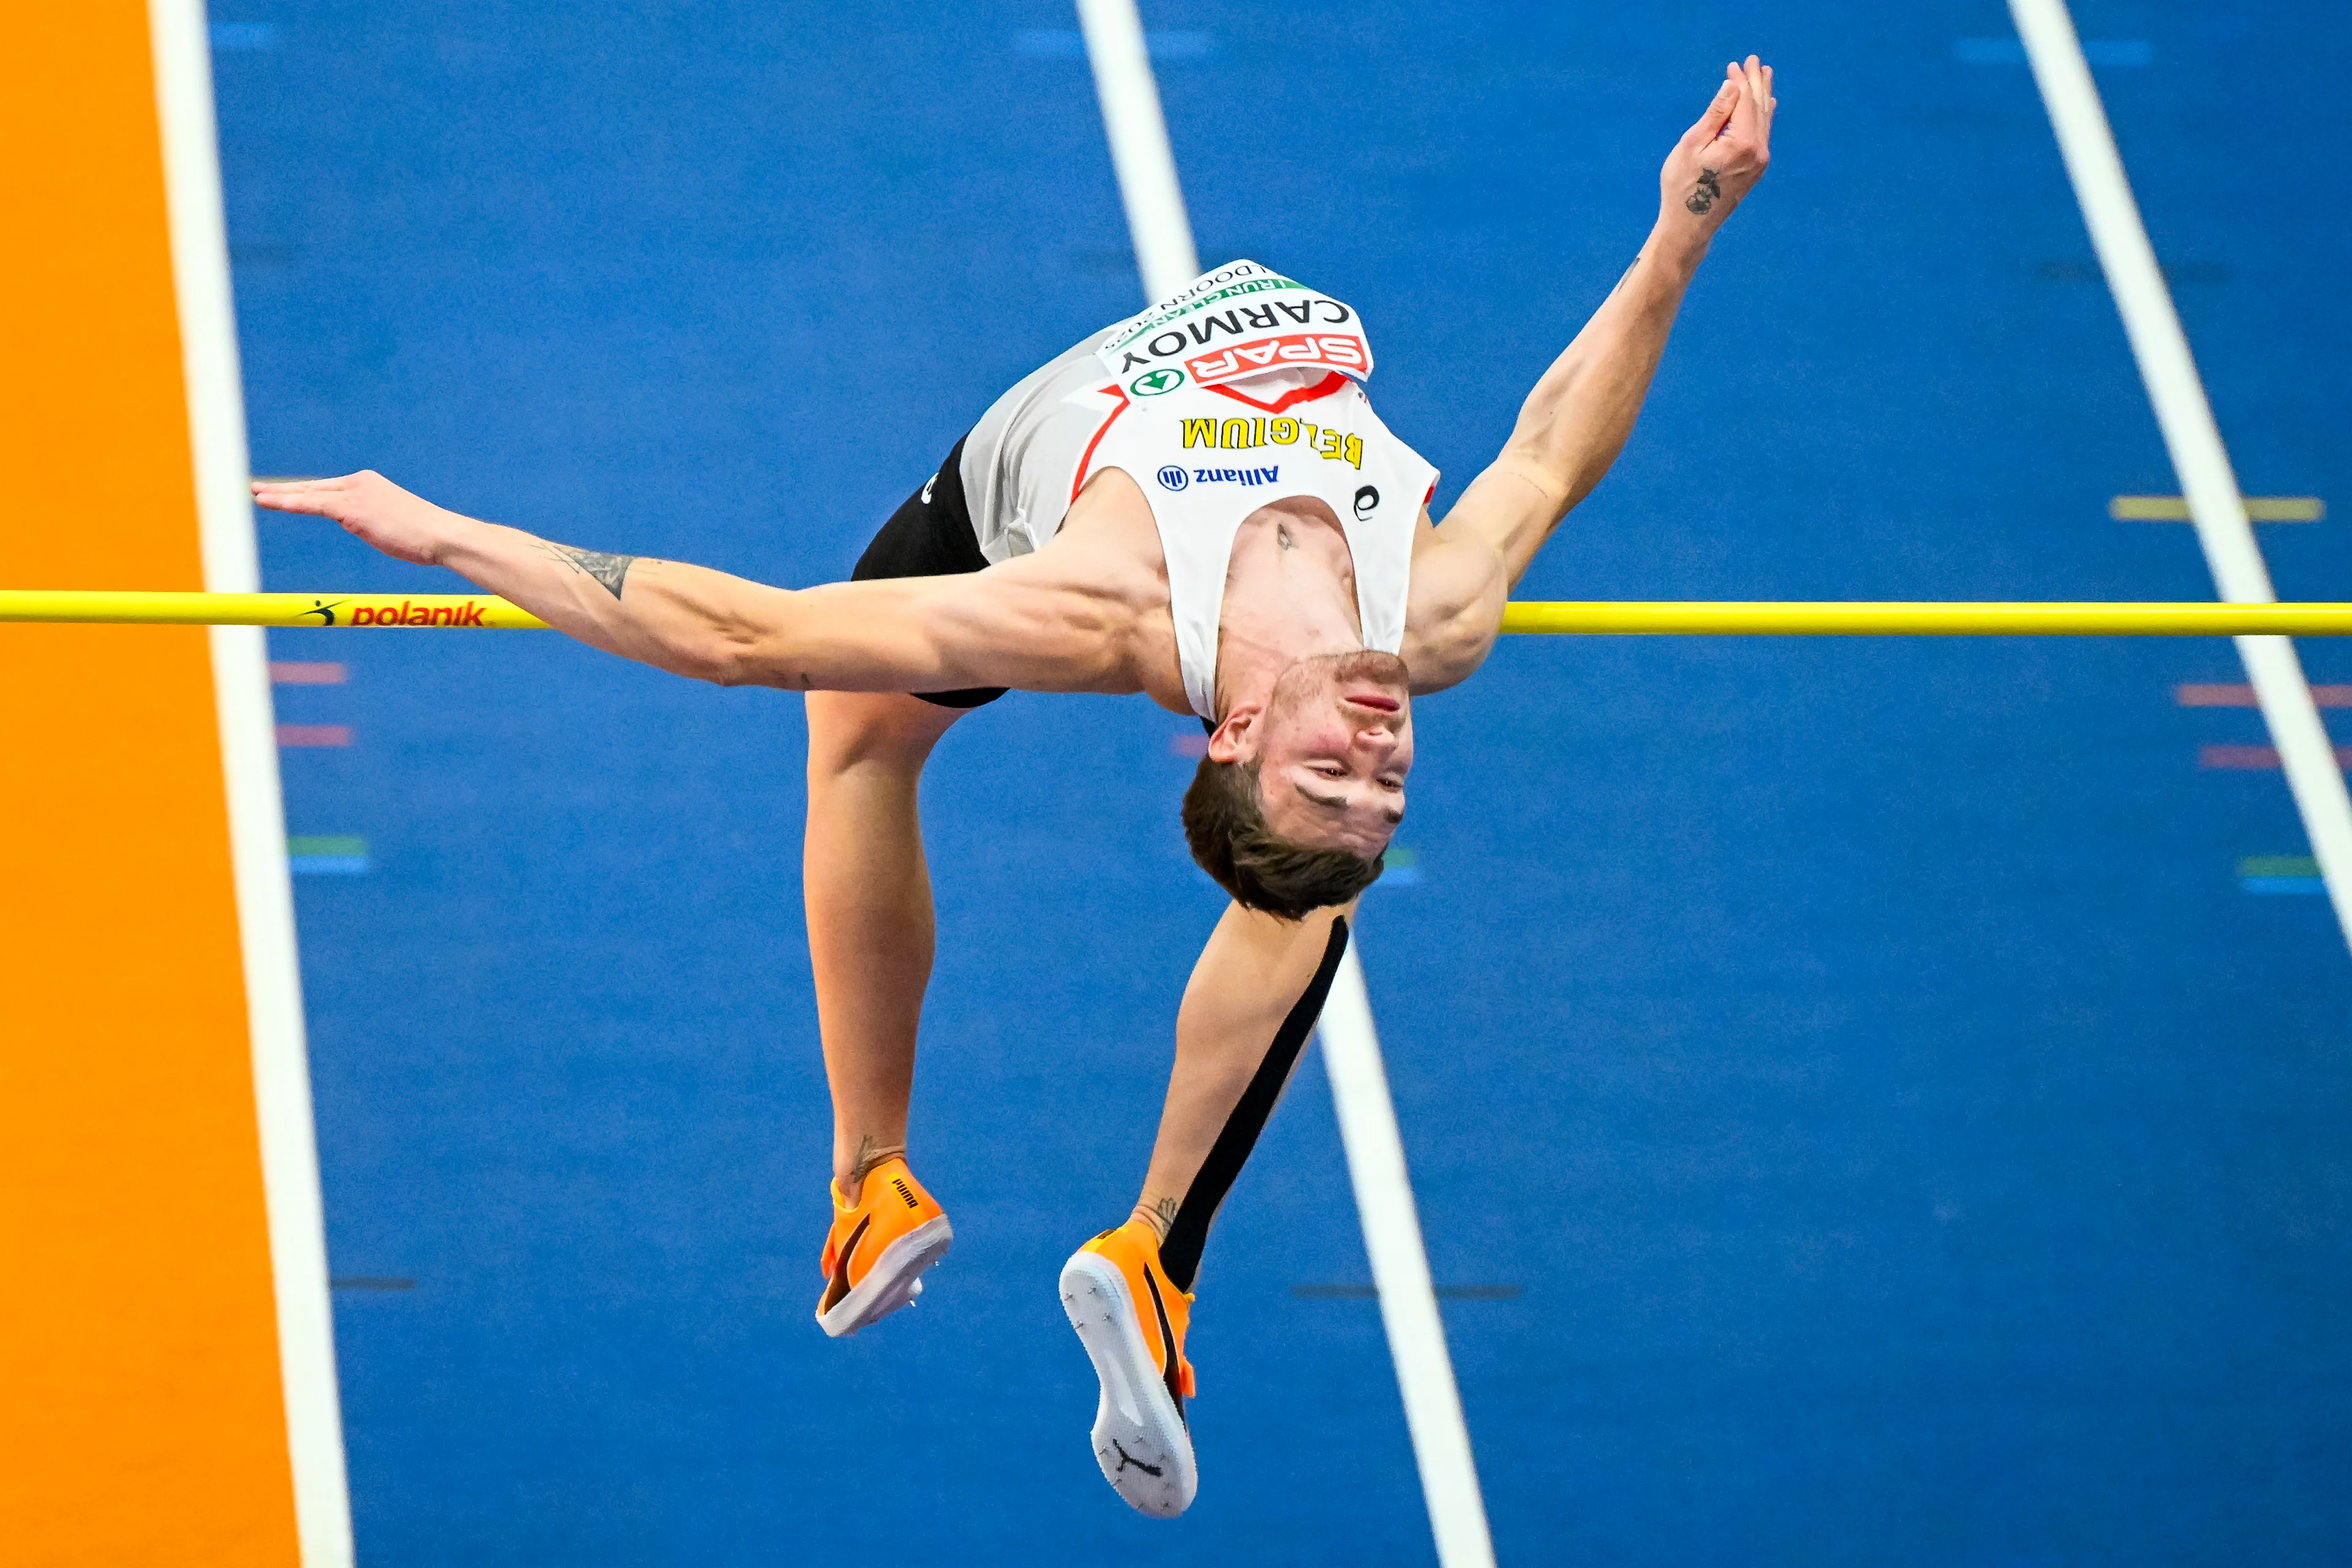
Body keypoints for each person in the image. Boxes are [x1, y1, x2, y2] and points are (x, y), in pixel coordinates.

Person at [255, 57, 1774, 1517]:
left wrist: (447, 531)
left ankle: (874, 1176)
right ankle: (1157, 1256)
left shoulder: (1090, 605)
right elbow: (1554, 447)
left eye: (1334, 766)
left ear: (1233, 729)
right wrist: (1682, 228)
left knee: (855, 724)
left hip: (1003, 489)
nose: (1377, 746)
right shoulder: (1435, 616)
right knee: (1306, 885)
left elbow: (741, 634)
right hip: (1223, 392)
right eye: (1388, 779)